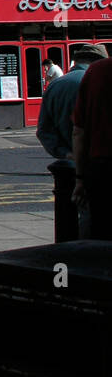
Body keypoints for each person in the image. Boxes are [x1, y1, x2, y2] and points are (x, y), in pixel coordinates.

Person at [38, 43, 107, 239]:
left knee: (70, 214)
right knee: (94, 215)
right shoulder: (97, 82)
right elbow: (82, 129)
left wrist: (64, 153)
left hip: (67, 163)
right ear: (99, 62)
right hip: (97, 159)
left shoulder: (56, 85)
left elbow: (43, 130)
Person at [72, 54, 112, 240]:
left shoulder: (96, 71)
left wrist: (80, 179)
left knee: (100, 230)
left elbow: (78, 132)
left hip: (101, 165)